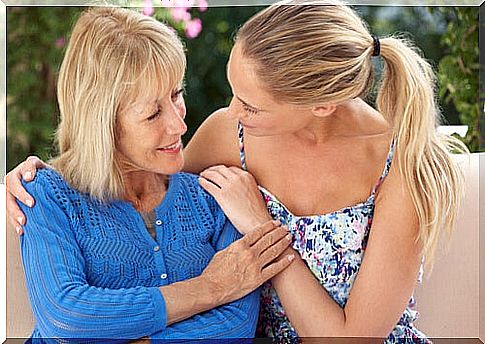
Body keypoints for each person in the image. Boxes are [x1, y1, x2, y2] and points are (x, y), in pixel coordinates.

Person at [6, 0, 467, 342]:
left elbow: (334, 336)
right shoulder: (231, 134)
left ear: (322, 105)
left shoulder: (403, 164)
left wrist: (261, 228)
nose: (226, 111)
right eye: (232, 92)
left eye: (251, 105)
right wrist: (40, 179)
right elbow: (136, 175)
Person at [6, 7, 296, 342]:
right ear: (103, 125)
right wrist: (210, 287)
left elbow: (234, 325)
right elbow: (68, 316)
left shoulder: (214, 196)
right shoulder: (45, 193)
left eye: (176, 94)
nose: (179, 124)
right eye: (152, 114)